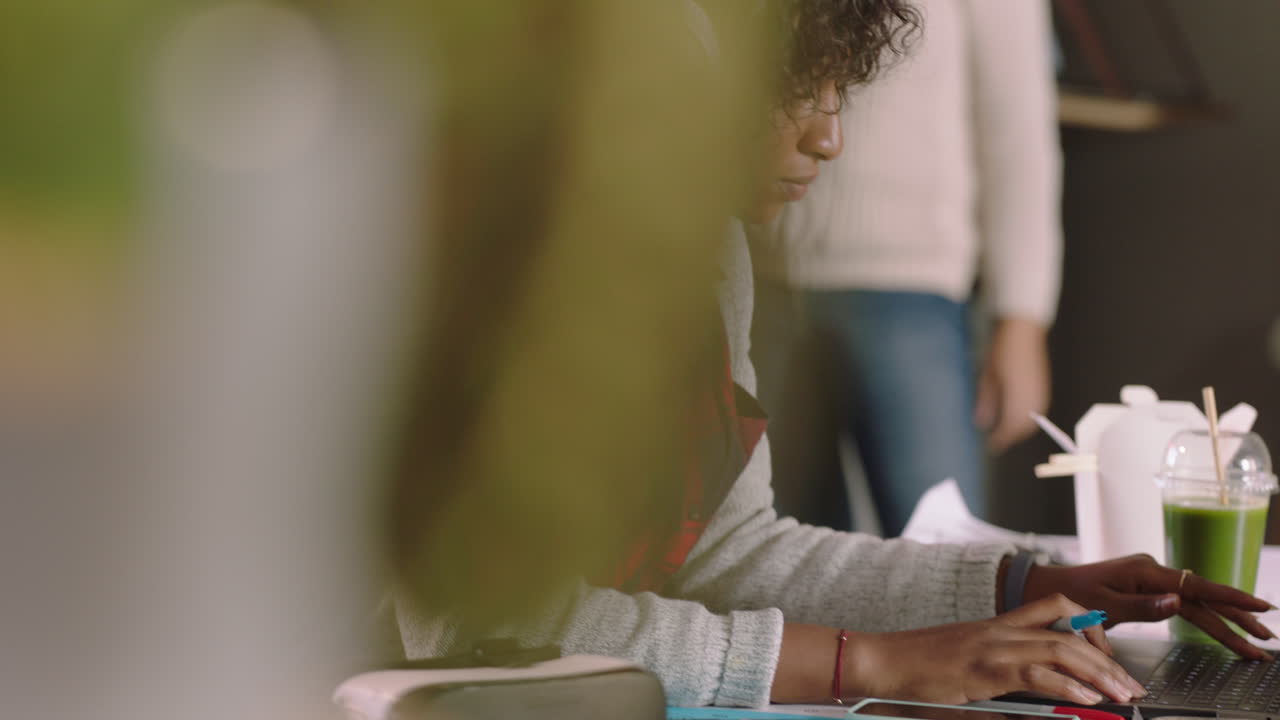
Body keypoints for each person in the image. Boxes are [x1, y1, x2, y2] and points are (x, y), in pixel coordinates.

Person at [391, 0, 1272, 708]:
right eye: (796, 93)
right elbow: (477, 626)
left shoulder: (713, 260)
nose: (829, 139)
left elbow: (734, 556)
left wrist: (1029, 585)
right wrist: (871, 666)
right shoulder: (517, 268)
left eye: (838, 94)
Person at [750, 0, 1061, 535]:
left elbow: (1017, 128)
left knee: (939, 543)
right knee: (777, 550)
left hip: (910, 295)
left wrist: (1022, 317)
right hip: (762, 288)